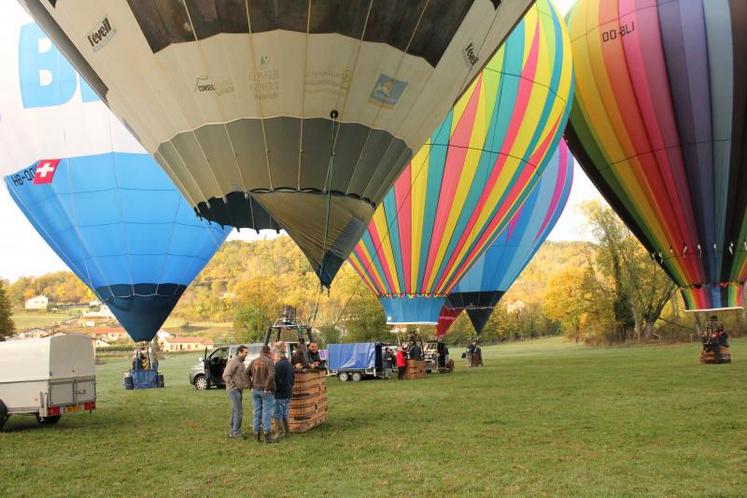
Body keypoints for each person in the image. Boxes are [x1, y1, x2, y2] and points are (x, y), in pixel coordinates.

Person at [248, 345, 276, 443]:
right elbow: (272, 375)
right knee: (266, 413)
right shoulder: (269, 361)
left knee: (256, 412)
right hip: (266, 391)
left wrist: (250, 385)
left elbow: (245, 373)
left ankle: (256, 435)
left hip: (255, 390)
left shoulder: (253, 361)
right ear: (268, 352)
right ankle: (267, 437)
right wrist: (267, 387)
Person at [222, 345, 249, 439]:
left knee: (234, 410)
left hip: (239, 389)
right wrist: (232, 385)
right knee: (239, 411)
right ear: (240, 352)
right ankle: (236, 433)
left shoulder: (241, 362)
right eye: (245, 353)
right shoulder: (234, 361)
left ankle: (233, 431)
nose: (247, 354)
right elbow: (225, 375)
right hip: (233, 390)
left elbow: (242, 376)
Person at [272, 344, 294, 440]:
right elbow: (293, 378)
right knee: (285, 413)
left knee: (277, 413)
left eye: (275, 355)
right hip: (288, 392)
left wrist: (274, 390)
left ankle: (279, 432)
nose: (274, 357)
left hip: (279, 393)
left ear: (279, 355)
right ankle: (286, 431)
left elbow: (275, 380)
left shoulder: (278, 365)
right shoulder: (289, 364)